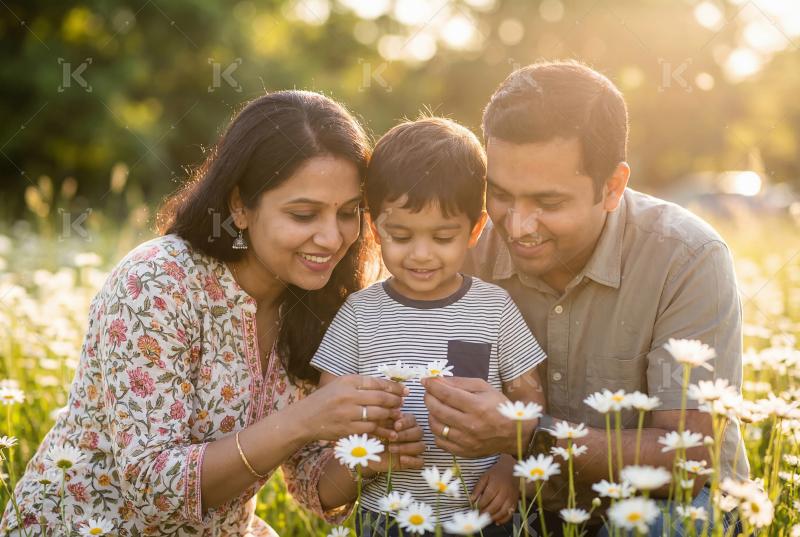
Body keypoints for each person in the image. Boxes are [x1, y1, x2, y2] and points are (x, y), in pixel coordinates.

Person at [0, 90, 425, 536]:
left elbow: (309, 479)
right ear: (240, 205)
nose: (332, 238)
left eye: (348, 212)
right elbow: (152, 488)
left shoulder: (316, 302)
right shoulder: (157, 283)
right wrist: (303, 420)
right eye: (304, 214)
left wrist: (370, 460)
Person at [422, 61, 748, 535]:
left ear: (612, 187)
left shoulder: (688, 258)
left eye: (548, 203)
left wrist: (531, 436)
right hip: (518, 502)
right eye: (502, 194)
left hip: (661, 503)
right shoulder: (468, 250)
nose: (517, 226)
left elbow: (691, 458)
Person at [310, 116, 547, 536]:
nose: (421, 255)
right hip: (387, 516)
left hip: (481, 517)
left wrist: (512, 467)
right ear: (375, 227)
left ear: (474, 230)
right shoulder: (359, 315)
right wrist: (370, 439)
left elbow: (529, 403)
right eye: (401, 236)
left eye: (442, 238)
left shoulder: (494, 308)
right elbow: (330, 417)